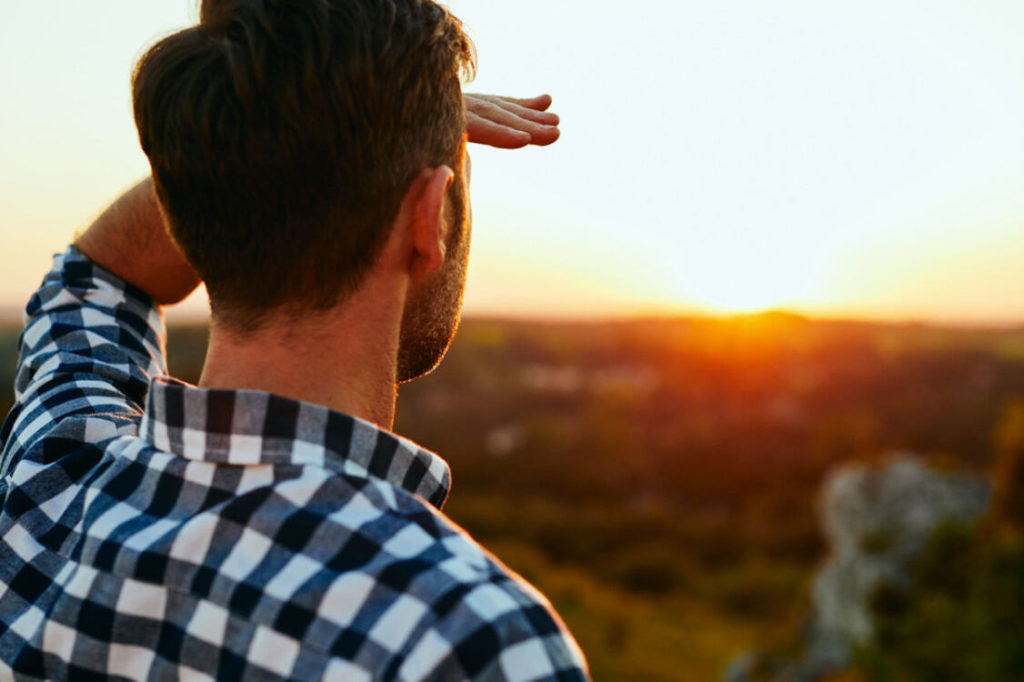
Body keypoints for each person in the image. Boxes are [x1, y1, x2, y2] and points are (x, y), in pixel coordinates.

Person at [0, 0, 589, 679]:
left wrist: (316, 142)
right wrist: (365, 136)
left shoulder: (53, 476)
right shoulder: (463, 638)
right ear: (431, 218)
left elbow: (95, 272)